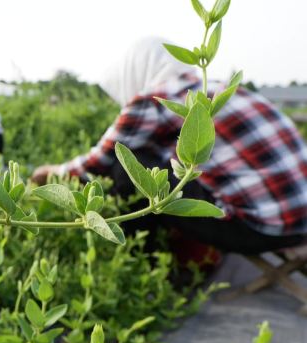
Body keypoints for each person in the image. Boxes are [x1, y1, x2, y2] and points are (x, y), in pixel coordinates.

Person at [31, 37, 307, 255]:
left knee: (129, 166)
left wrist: (48, 173)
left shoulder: (155, 98)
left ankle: (140, 258)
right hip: (298, 224)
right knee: (160, 161)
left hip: (257, 229)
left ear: (135, 73)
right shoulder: (217, 89)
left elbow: (97, 162)